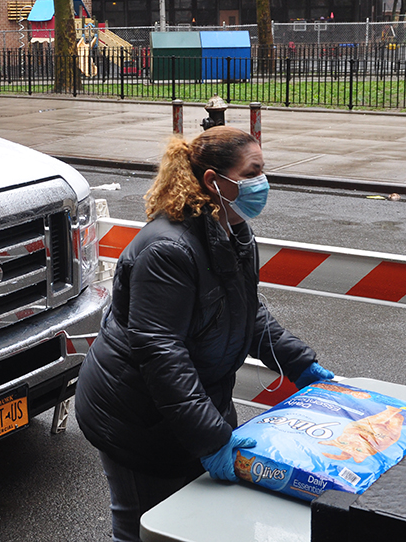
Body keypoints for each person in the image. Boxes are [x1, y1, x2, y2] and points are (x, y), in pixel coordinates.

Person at [74, 125, 333, 542]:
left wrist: (301, 365)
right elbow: (161, 354)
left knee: (198, 521)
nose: (262, 182)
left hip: (188, 409)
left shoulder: (233, 230)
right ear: (214, 181)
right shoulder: (168, 250)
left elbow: (246, 313)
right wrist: (212, 439)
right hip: (136, 417)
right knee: (145, 524)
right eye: (252, 172)